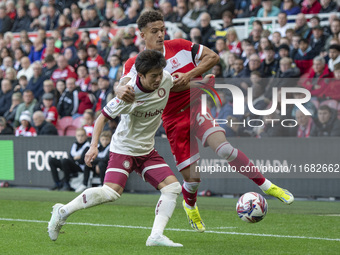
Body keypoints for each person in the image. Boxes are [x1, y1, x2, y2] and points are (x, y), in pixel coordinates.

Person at [116, 10, 294, 233]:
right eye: (155, 31)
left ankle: (268, 186)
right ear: (142, 34)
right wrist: (120, 89)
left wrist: (191, 75)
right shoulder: (136, 63)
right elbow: (123, 84)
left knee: (225, 149)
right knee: (193, 179)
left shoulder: (180, 46)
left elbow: (212, 57)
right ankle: (190, 205)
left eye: (162, 29)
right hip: (172, 119)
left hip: (195, 106)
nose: (161, 34)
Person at [48, 50, 186, 247]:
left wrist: (202, 82)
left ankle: (155, 236)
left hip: (147, 150)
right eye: (153, 76)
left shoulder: (165, 78)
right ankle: (62, 212)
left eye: (159, 74)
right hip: (124, 148)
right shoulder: (128, 94)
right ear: (141, 75)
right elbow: (102, 117)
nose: (158, 79)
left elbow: (178, 83)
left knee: (172, 188)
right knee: (112, 193)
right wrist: (93, 146)